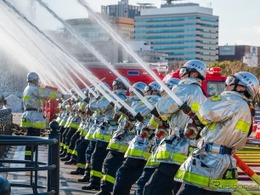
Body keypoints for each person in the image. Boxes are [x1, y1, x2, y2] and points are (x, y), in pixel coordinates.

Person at [175, 71, 259, 195]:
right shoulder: (247, 110)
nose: (226, 85)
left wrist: (198, 118)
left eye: (231, 81)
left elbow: (205, 110)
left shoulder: (231, 99)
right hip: (227, 165)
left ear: (241, 88)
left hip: (207, 162)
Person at [143, 59, 207, 195]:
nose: (181, 74)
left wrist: (160, 107)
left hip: (176, 146)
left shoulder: (184, 88)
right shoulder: (201, 93)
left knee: (154, 189)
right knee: (176, 188)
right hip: (191, 147)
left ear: (195, 74)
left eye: (184, 71)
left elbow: (163, 110)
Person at [95, 81, 147, 195]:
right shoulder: (136, 103)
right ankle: (108, 189)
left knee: (113, 166)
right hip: (124, 143)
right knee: (116, 168)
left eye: (135, 92)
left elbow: (118, 110)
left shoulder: (138, 104)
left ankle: (107, 190)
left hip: (125, 142)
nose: (132, 94)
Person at [113, 81, 161, 195]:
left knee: (124, 174)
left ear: (152, 91)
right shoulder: (163, 104)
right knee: (146, 181)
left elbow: (124, 110)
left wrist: (129, 100)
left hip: (140, 147)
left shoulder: (145, 102)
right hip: (155, 150)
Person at [20, 72, 69, 162]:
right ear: (34, 80)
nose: (38, 82)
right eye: (37, 80)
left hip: (29, 115)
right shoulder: (34, 89)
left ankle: (28, 159)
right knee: (34, 139)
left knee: (30, 139)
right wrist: (61, 96)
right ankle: (30, 161)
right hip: (34, 116)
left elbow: (39, 97)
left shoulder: (28, 89)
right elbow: (47, 93)